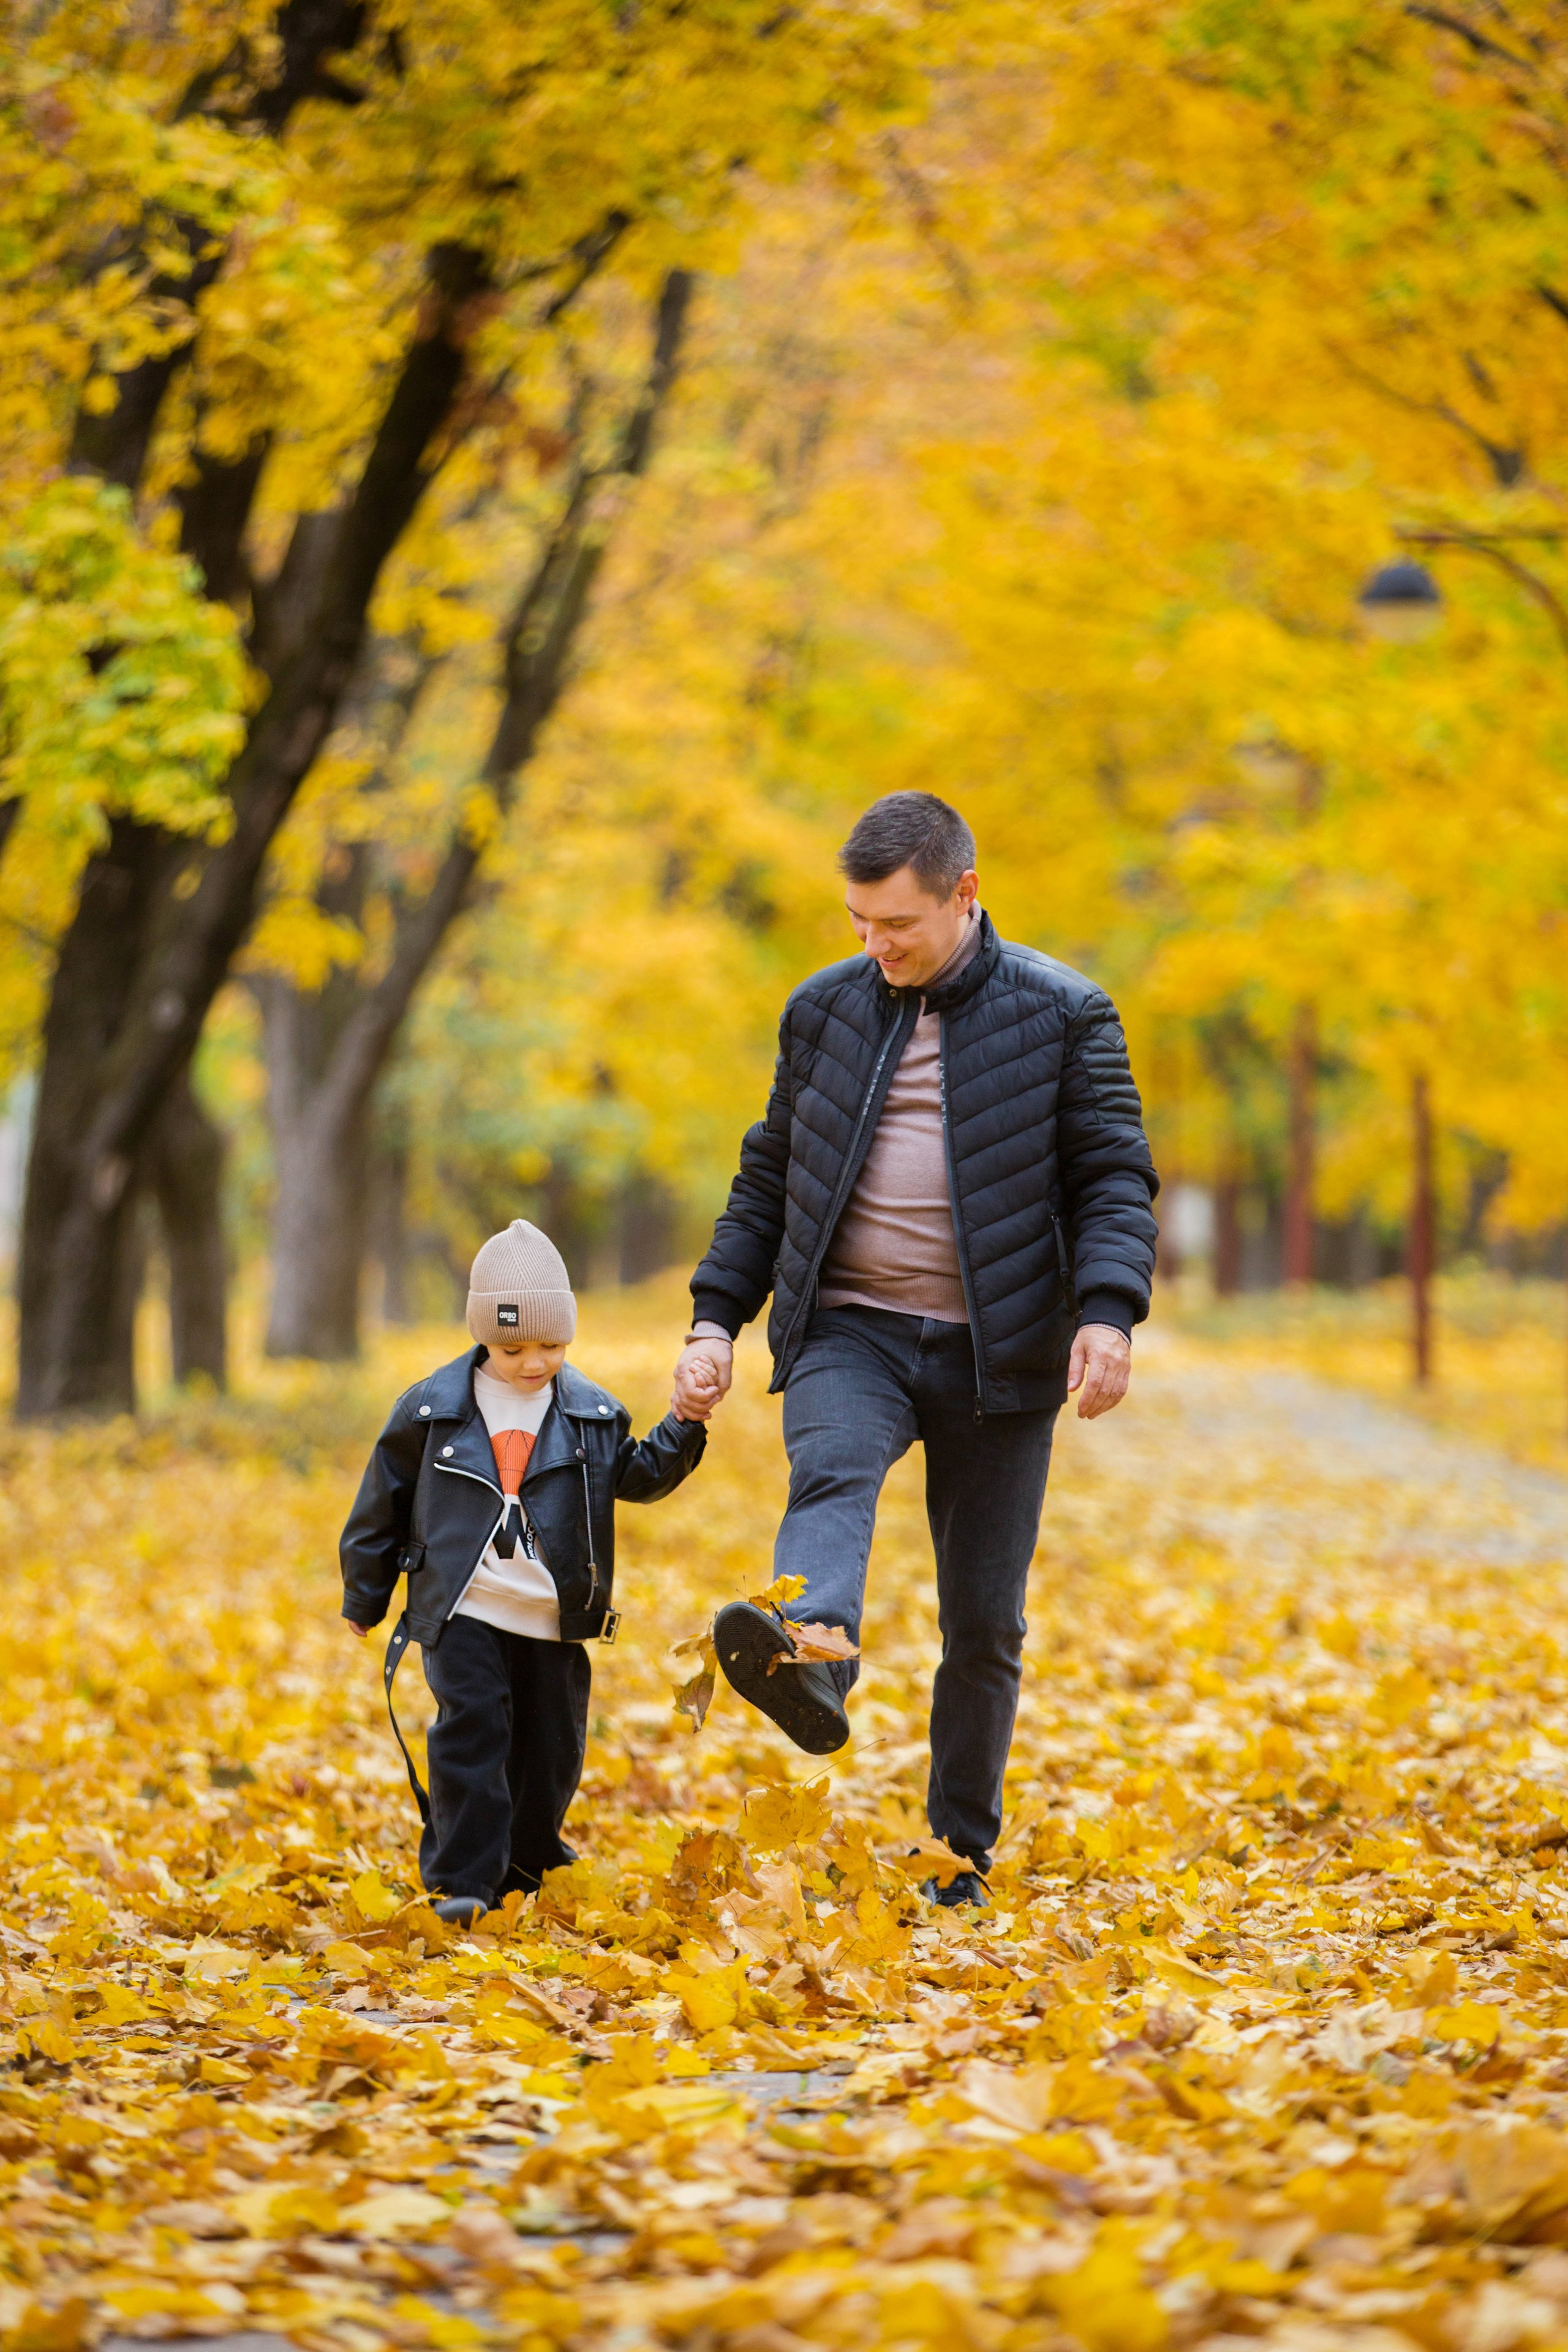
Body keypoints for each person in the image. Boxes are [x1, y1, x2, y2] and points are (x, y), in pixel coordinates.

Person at [673, 793, 1158, 1908]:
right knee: (832, 1470)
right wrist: (713, 1319)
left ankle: (957, 1857)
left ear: (964, 894)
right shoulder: (823, 1011)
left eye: (897, 923)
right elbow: (769, 1175)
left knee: (983, 1623)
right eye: (859, 922)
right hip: (851, 1325)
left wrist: (1107, 1314)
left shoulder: (1066, 1013)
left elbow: (1113, 1178)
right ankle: (811, 1651)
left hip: (1002, 1352)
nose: (875, 945)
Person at [341, 1218, 706, 1926]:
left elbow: (637, 1476)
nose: (534, 1362)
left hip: (551, 1615)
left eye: (551, 1346)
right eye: (513, 1348)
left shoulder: (591, 1414)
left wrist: (684, 1424)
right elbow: (382, 1501)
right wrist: (366, 1592)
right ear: (484, 1334)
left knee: (550, 1751)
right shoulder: (433, 1409)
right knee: (471, 1734)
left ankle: (526, 1863)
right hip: (464, 1606)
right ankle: (463, 1881)